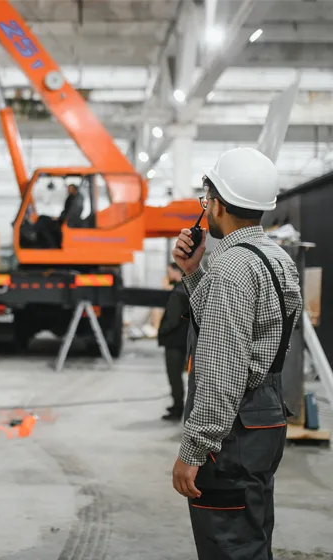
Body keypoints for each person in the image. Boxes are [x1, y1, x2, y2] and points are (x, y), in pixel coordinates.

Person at [170, 147, 302, 559]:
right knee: (251, 536)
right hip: (264, 419)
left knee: (229, 546)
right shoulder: (276, 259)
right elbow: (245, 333)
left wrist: (194, 448)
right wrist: (194, 273)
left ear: (218, 204)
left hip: (232, 434)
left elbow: (222, 370)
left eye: (206, 197)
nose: (204, 206)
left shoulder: (231, 270)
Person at [157, 262, 190, 421]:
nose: (168, 275)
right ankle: (178, 405)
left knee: (174, 376)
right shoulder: (186, 289)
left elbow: (172, 320)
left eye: (169, 272)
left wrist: (161, 332)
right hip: (183, 340)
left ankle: (177, 408)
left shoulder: (177, 293)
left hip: (174, 342)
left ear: (177, 272)